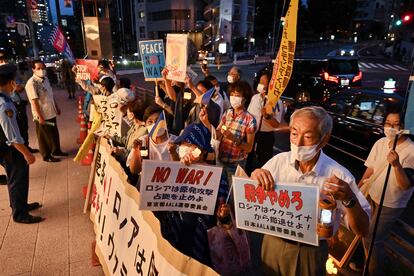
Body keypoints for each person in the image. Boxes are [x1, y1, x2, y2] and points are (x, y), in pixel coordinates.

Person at [251, 106, 370, 276]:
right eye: (294, 133)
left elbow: (363, 230)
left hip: (309, 252)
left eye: (307, 136)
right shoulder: (277, 162)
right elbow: (250, 198)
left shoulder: (339, 176)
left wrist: (349, 199)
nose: (298, 143)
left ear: (323, 140)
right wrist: (255, 175)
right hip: (272, 242)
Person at [359, 107, 414, 276]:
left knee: (373, 239)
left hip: (391, 203)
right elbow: (371, 167)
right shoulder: (381, 143)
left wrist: (396, 164)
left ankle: (375, 271)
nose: (391, 127)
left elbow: (406, 185)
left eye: (396, 124)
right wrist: (359, 186)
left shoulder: (411, 150)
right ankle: (367, 265)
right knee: (363, 231)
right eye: (388, 123)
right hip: (372, 195)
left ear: (405, 126)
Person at [0, 63, 43, 223]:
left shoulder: (4, 98)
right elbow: (12, 136)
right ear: (10, 82)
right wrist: (27, 154)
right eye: (14, 80)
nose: (16, 83)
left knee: (15, 178)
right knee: (18, 178)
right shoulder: (4, 104)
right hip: (11, 149)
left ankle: (20, 205)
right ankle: (19, 214)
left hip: (6, 147)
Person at [25, 60, 68, 162]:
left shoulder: (46, 79)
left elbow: (50, 96)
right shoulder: (31, 83)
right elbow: (34, 101)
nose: (42, 70)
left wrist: (56, 107)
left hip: (50, 111)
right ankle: (46, 155)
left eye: (43, 68)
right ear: (33, 70)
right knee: (44, 136)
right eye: (38, 68)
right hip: (41, 114)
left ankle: (56, 150)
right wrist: (40, 116)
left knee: (54, 132)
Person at [216, 81, 257, 178]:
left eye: (237, 95)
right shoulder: (228, 113)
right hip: (220, 159)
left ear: (244, 99)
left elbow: (249, 147)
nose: (233, 98)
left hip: (235, 164)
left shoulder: (250, 120)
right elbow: (217, 132)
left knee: (232, 192)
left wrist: (233, 138)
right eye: (232, 94)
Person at [247, 72, 284, 170]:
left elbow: (276, 124)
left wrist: (267, 117)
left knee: (263, 163)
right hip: (252, 135)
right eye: (260, 81)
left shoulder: (276, 102)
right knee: (249, 161)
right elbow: (248, 115)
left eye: (264, 82)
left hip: (266, 137)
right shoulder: (255, 98)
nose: (261, 84)